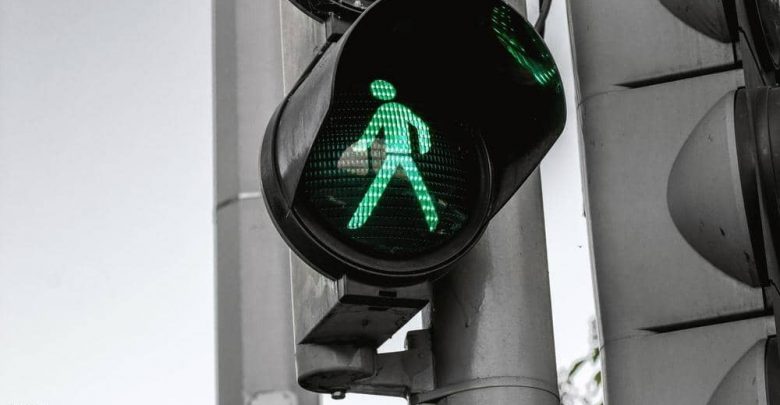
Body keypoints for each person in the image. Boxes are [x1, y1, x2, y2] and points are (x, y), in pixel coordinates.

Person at [347, 79, 439, 232]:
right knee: (419, 187)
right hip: (405, 154)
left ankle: (357, 220)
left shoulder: (384, 109)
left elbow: (371, 131)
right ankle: (433, 221)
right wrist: (424, 146)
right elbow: (421, 126)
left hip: (393, 155)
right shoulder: (402, 109)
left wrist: (360, 147)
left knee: (377, 187)